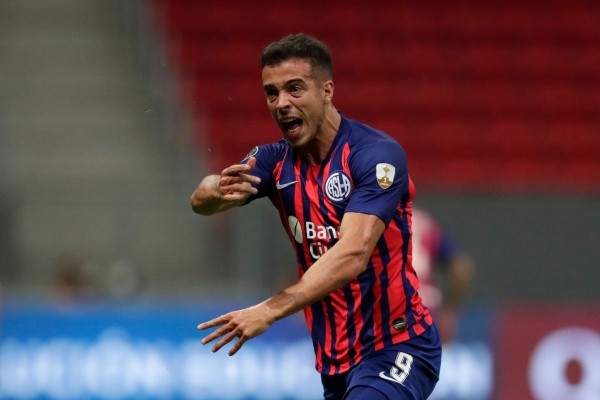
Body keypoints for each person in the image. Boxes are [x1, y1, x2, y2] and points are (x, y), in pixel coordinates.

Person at [190, 33, 441, 399]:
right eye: (272, 93)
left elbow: (353, 255)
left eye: (294, 89)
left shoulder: (376, 156)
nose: (282, 103)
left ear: (327, 91)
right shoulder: (275, 161)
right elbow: (201, 201)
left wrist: (269, 310)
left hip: (398, 344)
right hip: (334, 363)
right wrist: (213, 188)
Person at [411, 207, 475, 343]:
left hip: (391, 311)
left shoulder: (375, 218)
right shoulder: (425, 222)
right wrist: (450, 311)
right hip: (427, 311)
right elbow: (461, 268)